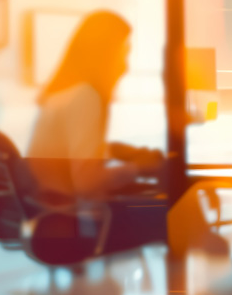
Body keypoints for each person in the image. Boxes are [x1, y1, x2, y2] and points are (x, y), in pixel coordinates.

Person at [27, 10, 162, 196]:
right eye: (123, 54)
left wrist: (113, 150)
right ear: (104, 54)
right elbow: (87, 182)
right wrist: (139, 168)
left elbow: (66, 151)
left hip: (48, 208)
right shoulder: (86, 96)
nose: (126, 67)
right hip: (74, 217)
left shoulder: (61, 94)